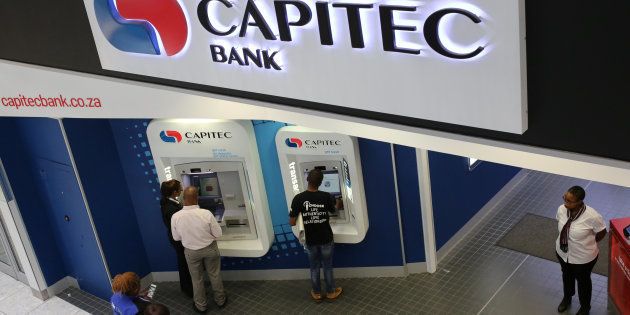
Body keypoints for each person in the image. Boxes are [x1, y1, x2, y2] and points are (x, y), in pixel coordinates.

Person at [289, 169, 343, 302]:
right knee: (327, 266)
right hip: (326, 238)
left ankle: (317, 294)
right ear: (321, 182)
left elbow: (292, 222)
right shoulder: (326, 196)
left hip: (311, 239)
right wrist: (338, 202)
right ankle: (331, 292)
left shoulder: (298, 198)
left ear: (307, 179)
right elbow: (334, 210)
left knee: (314, 267)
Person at [171, 186, 227, 313]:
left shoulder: (175, 216)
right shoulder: (206, 213)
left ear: (183, 198)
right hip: (210, 249)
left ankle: (201, 305)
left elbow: (176, 237)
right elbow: (218, 234)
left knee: (196, 279)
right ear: (197, 198)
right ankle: (220, 300)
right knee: (215, 275)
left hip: (191, 252)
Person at [555, 186, 606, 315]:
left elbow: (601, 232)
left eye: (569, 201)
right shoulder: (562, 209)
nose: (565, 202)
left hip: (583, 258)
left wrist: (587, 243)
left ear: (579, 202)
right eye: (564, 198)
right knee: (566, 275)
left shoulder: (592, 216)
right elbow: (560, 226)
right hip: (563, 252)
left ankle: (585, 307)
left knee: (583, 282)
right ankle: (567, 298)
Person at [159, 180, 193, 297]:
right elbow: (180, 227)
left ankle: (188, 288)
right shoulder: (171, 208)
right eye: (180, 188)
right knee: (184, 265)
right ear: (174, 192)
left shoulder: (169, 203)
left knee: (183, 263)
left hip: (176, 238)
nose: (182, 190)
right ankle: (189, 290)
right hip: (179, 240)